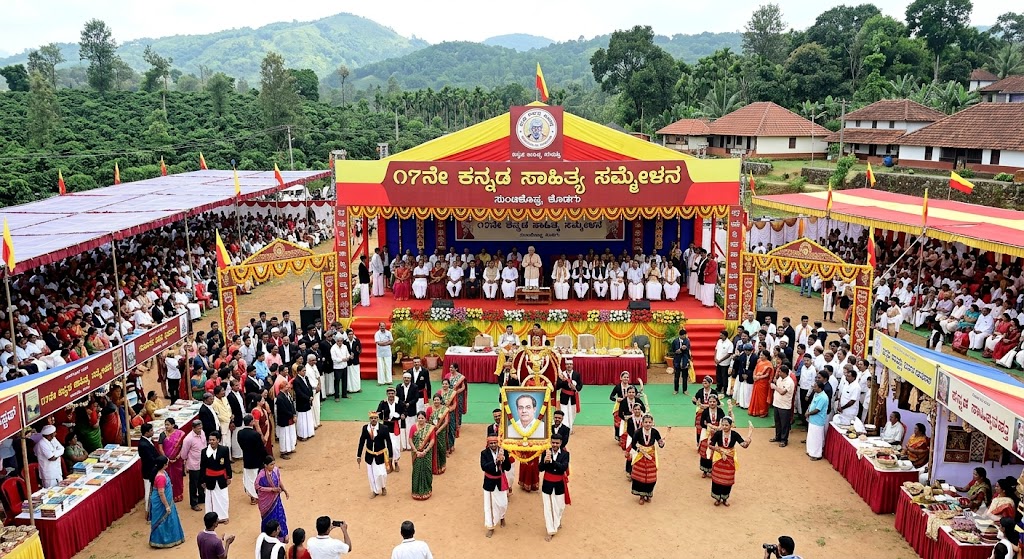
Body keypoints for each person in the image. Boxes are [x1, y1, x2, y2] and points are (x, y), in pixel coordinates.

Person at [709, 417, 751, 506]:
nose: (724, 427)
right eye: (723, 425)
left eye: (726, 425)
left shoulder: (735, 434)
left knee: (728, 480)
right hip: (718, 458)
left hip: (730, 460)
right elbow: (710, 445)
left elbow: (743, 445)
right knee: (717, 480)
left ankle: (724, 499)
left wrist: (748, 441)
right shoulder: (718, 433)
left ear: (731, 425)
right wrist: (720, 451)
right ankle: (717, 498)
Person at [149, 456, 186, 548]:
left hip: (165, 500)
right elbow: (161, 493)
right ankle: (162, 541)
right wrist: (167, 506)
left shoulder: (162, 472)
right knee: (163, 521)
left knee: (169, 520)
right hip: (162, 502)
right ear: (164, 465)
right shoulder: (160, 477)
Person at [629, 414, 665, 505]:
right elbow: (633, 444)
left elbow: (660, 443)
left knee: (651, 477)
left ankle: (648, 494)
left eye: (650, 422)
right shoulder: (638, 432)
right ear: (642, 423)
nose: (648, 424)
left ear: (652, 423)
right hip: (641, 457)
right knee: (640, 477)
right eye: (646, 422)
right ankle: (641, 495)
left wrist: (661, 443)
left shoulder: (655, 432)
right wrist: (640, 450)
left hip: (651, 457)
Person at [539, 433, 570, 541]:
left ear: (561, 443)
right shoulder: (545, 453)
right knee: (549, 508)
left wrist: (551, 461)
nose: (555, 445)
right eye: (553, 443)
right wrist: (544, 461)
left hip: (559, 484)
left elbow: (563, 467)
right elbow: (540, 469)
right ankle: (550, 530)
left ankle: (557, 520)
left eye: (557, 443)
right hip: (547, 483)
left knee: (560, 506)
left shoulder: (565, 454)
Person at [357, 411, 395, 498]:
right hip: (369, 455)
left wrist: (390, 456)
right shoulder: (365, 428)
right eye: (371, 418)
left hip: (380, 455)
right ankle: (374, 491)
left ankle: (383, 486)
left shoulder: (384, 428)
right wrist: (358, 455)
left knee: (382, 474)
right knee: (371, 475)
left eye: (375, 418)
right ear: (369, 419)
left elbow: (388, 442)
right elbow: (362, 442)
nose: (373, 420)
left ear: (378, 419)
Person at [481, 436, 512, 537]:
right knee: (489, 506)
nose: (493, 445)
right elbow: (484, 467)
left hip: (500, 481)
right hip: (489, 482)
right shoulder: (484, 453)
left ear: (498, 443)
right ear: (488, 444)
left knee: (503, 503)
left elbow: (508, 467)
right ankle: (490, 526)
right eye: (491, 443)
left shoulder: (504, 451)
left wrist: (503, 460)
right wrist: (495, 461)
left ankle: (502, 516)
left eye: (495, 443)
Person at [257, 455, 290, 543]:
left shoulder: (276, 470)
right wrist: (272, 489)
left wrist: (284, 490)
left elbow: (279, 481)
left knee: (280, 515)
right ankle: (268, 537)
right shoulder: (261, 475)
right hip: (266, 502)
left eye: (274, 464)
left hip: (276, 499)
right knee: (269, 518)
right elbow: (257, 487)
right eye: (271, 464)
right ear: (265, 465)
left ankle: (282, 534)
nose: (273, 466)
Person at [201, 430, 232, 523]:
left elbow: (227, 464)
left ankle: (223, 517)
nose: (211, 442)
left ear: (218, 440)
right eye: (210, 440)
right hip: (210, 479)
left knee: (223, 498)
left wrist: (229, 477)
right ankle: (212, 519)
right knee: (211, 500)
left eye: (213, 440)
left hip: (222, 478)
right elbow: (202, 467)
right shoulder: (204, 452)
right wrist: (202, 481)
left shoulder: (224, 450)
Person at [238, 414, 267, 505]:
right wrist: (265, 458)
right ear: (251, 422)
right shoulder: (255, 434)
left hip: (246, 459)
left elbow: (241, 445)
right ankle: (256, 496)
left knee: (248, 478)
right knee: (256, 478)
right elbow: (261, 449)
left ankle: (252, 497)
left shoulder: (240, 433)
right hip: (256, 460)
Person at [179, 419, 207, 511]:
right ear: (193, 428)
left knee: (201, 481)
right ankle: (194, 503)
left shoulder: (202, 433)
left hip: (202, 463)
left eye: (201, 427)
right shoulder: (188, 439)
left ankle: (202, 498)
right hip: (194, 465)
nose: (200, 430)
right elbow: (183, 454)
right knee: (193, 485)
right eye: (198, 428)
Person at [158, 418, 186, 502]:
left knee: (177, 478)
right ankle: (169, 496)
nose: (166, 426)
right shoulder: (162, 435)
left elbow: (182, 447)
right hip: (167, 462)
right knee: (168, 478)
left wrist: (178, 456)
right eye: (165, 424)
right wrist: (166, 459)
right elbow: (160, 448)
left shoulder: (180, 434)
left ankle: (178, 495)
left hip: (177, 461)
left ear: (173, 425)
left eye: (168, 424)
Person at [408, 411, 435, 500]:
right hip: (416, 453)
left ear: (425, 419)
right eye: (419, 418)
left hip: (426, 453)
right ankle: (416, 491)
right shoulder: (413, 427)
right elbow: (410, 440)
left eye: (422, 418)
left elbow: (432, 440)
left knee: (427, 470)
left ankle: (427, 490)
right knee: (416, 471)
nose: (420, 419)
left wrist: (425, 451)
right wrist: (416, 451)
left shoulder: (430, 428)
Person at [770, 365, 796, 447]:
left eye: (780, 371)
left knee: (784, 424)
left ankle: (784, 440)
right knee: (777, 422)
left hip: (784, 406)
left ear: (784, 372)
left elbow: (782, 392)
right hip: (777, 404)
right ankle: (778, 437)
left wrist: (774, 387)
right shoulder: (780, 379)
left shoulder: (789, 382)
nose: (778, 372)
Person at [139, 423, 160, 513]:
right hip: (149, 471)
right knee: (148, 491)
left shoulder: (147, 441)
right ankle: (148, 512)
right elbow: (150, 459)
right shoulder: (143, 445)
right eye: (151, 430)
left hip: (152, 470)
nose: (153, 432)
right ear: (146, 432)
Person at [804, 381, 829, 461]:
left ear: (820, 388)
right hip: (812, 420)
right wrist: (807, 411)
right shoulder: (816, 394)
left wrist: (808, 413)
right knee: (811, 436)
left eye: (815, 387)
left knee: (817, 438)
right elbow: (812, 405)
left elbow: (817, 410)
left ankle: (817, 455)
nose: (813, 388)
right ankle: (811, 451)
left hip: (818, 421)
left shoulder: (823, 397)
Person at [555, 362, 582, 432]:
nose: (569, 366)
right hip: (564, 397)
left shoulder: (577, 374)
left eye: (570, 364)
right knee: (564, 412)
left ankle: (570, 426)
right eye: (567, 364)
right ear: (565, 366)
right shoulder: (562, 375)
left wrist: (575, 387)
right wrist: (563, 381)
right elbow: (557, 387)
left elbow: (580, 385)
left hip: (573, 397)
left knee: (573, 413)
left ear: (572, 365)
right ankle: (567, 428)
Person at [748, 350, 773, 418]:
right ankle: (754, 411)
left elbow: (767, 375)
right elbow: (755, 369)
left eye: (762, 355)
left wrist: (758, 377)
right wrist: (754, 376)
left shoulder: (769, 364)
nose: (760, 356)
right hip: (757, 381)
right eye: (760, 355)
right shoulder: (759, 361)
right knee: (755, 396)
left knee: (762, 398)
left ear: (766, 356)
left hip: (763, 383)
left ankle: (763, 412)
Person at [692, 377, 717, 444]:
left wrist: (706, 406)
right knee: (699, 428)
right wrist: (694, 400)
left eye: (706, 382)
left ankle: (711, 442)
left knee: (710, 427)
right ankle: (698, 443)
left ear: (710, 383)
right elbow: (696, 401)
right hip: (700, 412)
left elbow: (717, 403)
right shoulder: (700, 391)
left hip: (710, 412)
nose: (704, 383)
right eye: (703, 382)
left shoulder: (714, 392)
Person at [429, 394, 450, 474]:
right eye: (435, 400)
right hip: (431, 432)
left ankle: (443, 464)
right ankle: (434, 466)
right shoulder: (429, 409)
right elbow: (427, 420)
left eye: (438, 400)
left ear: (441, 401)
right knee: (432, 448)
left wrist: (438, 430)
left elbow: (446, 422)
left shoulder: (444, 409)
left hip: (441, 432)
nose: (436, 401)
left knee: (441, 448)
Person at [293, 366, 315, 442]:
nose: (304, 372)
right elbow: (299, 393)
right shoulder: (296, 381)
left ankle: (309, 433)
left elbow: (309, 387)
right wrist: (308, 398)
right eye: (303, 371)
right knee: (302, 420)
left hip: (307, 401)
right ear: (298, 372)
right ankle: (302, 435)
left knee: (308, 417)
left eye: (305, 370)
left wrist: (311, 395)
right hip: (301, 402)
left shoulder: (306, 378)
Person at [276, 385, 298, 458]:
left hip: (289, 417)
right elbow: (283, 410)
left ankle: (290, 448)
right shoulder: (279, 398)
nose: (288, 388)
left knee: (290, 434)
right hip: (284, 419)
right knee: (284, 435)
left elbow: (292, 406)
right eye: (286, 387)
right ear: (282, 388)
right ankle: (283, 452)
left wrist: (294, 414)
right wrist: (293, 415)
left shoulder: (287, 395)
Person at [670, 329, 691, 395]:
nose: (684, 336)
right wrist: (677, 351)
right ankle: (676, 390)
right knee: (676, 376)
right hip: (677, 360)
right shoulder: (675, 341)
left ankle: (685, 390)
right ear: (680, 335)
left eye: (685, 335)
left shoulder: (687, 341)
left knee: (685, 376)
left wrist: (680, 350)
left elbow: (685, 348)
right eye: (683, 335)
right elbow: (674, 350)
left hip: (684, 360)